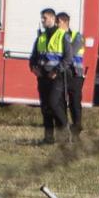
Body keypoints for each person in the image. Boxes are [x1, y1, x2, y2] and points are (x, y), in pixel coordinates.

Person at [30, 8, 68, 144]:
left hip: (56, 77)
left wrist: (57, 70)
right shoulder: (41, 37)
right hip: (43, 77)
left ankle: (65, 132)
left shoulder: (62, 36)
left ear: (52, 18)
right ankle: (48, 138)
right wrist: (33, 68)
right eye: (42, 18)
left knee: (54, 104)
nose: (42, 20)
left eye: (44, 18)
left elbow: (68, 58)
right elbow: (33, 57)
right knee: (45, 107)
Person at [58, 9, 84, 137]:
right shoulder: (58, 38)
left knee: (75, 103)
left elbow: (70, 53)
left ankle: (77, 128)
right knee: (60, 102)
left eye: (58, 22)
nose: (57, 25)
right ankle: (64, 129)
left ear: (65, 22)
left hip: (75, 74)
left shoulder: (77, 36)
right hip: (62, 74)